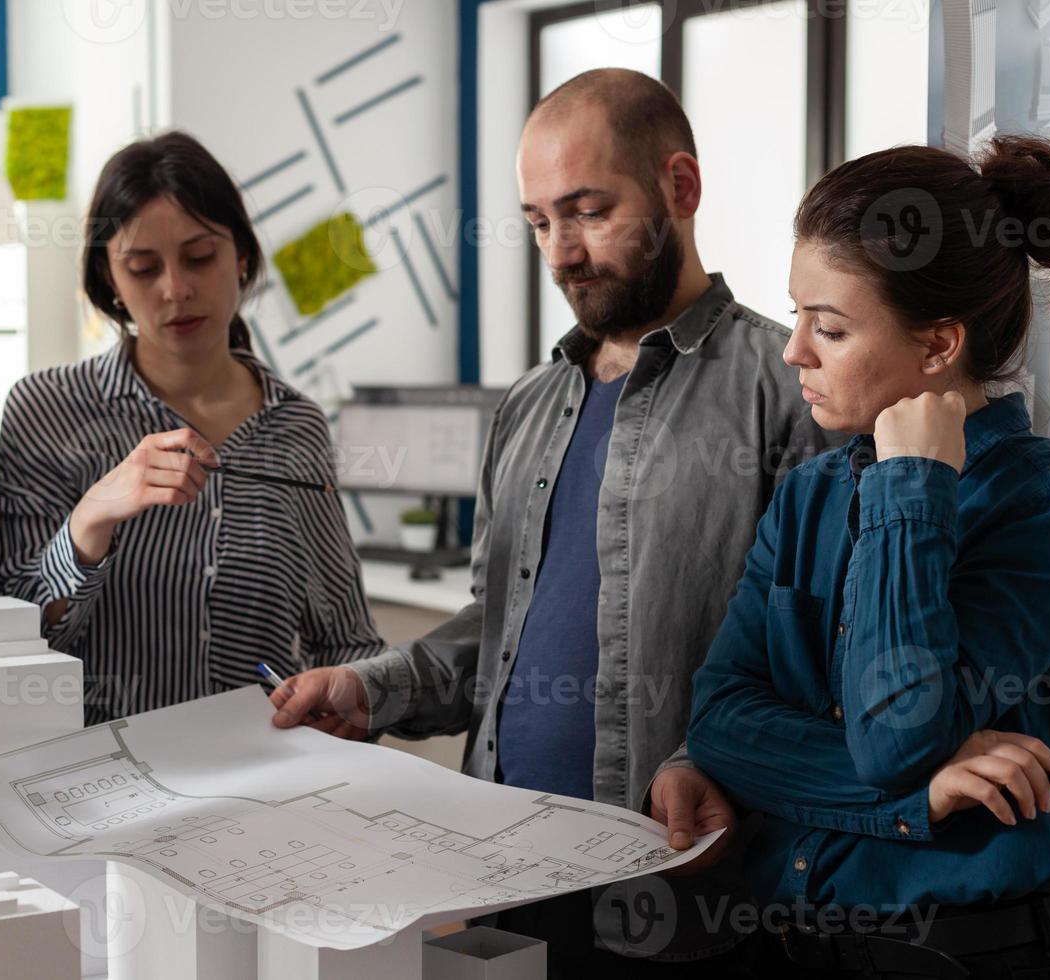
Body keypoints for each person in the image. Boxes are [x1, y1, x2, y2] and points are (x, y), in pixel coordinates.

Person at [268, 69, 832, 974]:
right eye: (538, 221)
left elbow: (813, 656)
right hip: (507, 887)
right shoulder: (531, 404)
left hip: (690, 901)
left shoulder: (789, 389)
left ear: (679, 189)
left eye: (587, 211)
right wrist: (371, 690)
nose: (562, 251)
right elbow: (498, 632)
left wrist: (703, 756)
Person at [686, 135, 1050, 979]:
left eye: (829, 327)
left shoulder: (1048, 502)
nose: (792, 349)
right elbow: (720, 723)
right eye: (797, 313)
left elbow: (898, 736)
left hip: (961, 956)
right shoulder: (808, 493)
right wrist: (924, 796)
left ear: (939, 344)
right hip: (784, 947)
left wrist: (913, 481)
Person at [0, 131, 384, 726]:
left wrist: (350, 705)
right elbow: (7, 646)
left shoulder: (296, 425)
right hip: (100, 784)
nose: (175, 289)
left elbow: (348, 639)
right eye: (143, 267)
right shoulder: (47, 408)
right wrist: (90, 519)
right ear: (109, 278)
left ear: (242, 256)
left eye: (200, 257)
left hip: (267, 779)